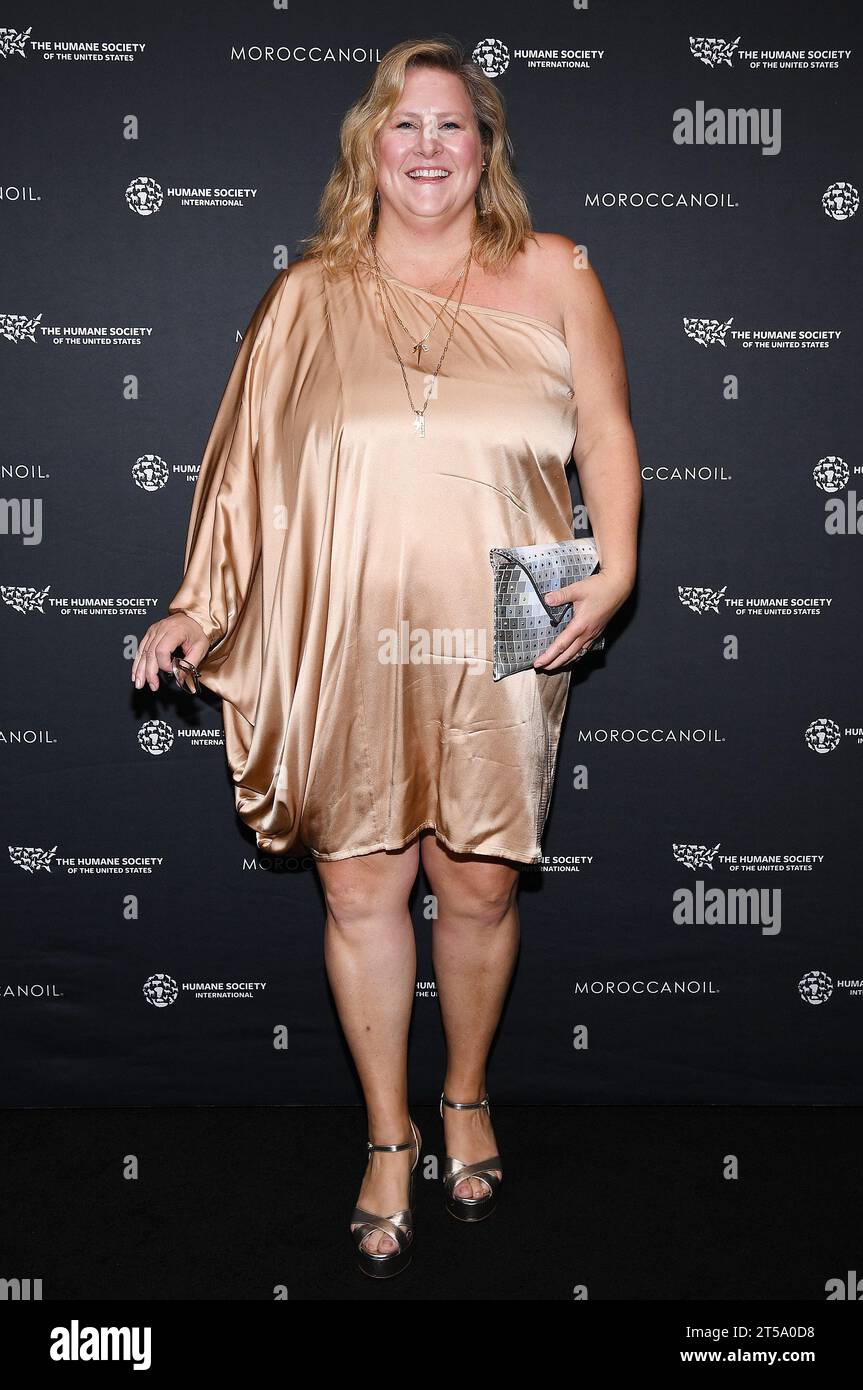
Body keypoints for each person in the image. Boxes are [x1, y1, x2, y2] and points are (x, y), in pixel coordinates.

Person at [130, 36, 641, 1279]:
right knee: (360, 887)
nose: (427, 148)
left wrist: (615, 564)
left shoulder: (557, 268)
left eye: (452, 126)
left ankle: (464, 1094)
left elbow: (609, 431)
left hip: (510, 609)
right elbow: (245, 461)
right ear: (369, 146)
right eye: (403, 126)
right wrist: (199, 600)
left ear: (485, 147)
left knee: (475, 884)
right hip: (345, 618)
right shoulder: (309, 292)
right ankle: (386, 1131)